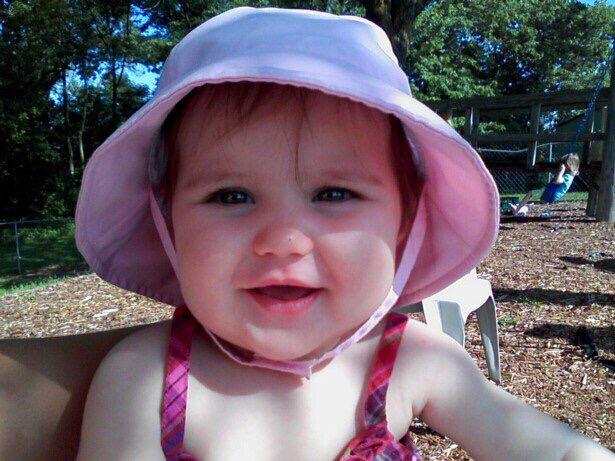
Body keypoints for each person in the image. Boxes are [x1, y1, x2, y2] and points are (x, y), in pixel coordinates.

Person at [74, 7, 613, 460]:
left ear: (404, 223)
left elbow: (553, 449)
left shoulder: (414, 360)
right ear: (169, 222)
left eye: (333, 194)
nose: (283, 240)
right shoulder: (145, 381)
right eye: (231, 196)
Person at [508, 153, 580, 216]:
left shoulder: (567, 177)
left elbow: (557, 181)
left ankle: (517, 209)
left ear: (569, 166)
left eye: (563, 164)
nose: (560, 165)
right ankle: (523, 208)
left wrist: (561, 171)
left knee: (530, 193)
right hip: (551, 192)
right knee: (532, 196)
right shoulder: (571, 176)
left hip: (550, 194)